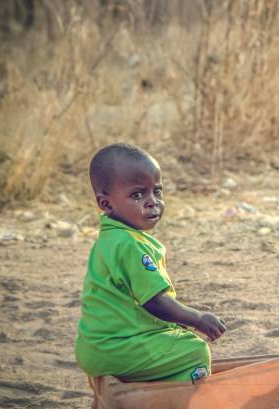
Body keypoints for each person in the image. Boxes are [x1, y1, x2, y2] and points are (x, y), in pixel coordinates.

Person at [75, 143, 227, 383]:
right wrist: (198, 319)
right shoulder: (131, 245)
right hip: (118, 348)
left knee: (175, 337)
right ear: (106, 204)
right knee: (194, 351)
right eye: (137, 194)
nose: (152, 201)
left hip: (98, 346)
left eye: (157, 191)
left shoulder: (112, 238)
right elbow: (155, 302)